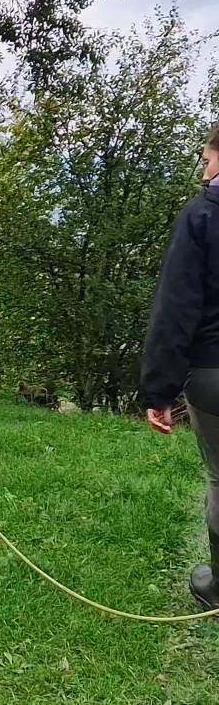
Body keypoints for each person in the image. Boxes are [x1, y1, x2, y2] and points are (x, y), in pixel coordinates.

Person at [141, 122, 219, 609]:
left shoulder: (202, 217)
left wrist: (159, 390)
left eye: (207, 160)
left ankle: (218, 588)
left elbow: (176, 310)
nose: (204, 170)